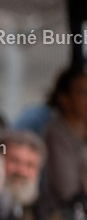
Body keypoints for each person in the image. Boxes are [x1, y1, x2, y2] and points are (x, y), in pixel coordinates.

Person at [41, 66, 87, 207]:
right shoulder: (56, 134)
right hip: (67, 216)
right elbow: (68, 190)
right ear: (64, 98)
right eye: (83, 93)